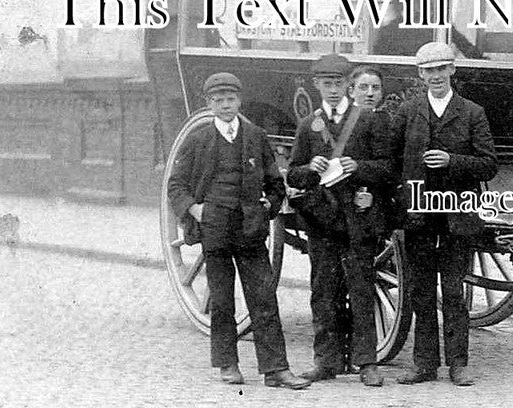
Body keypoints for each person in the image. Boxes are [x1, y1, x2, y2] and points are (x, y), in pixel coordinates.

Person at [167, 73, 310, 390]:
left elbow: (275, 184)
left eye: (230, 99)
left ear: (239, 101)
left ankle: (276, 370)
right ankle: (227, 364)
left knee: (264, 298)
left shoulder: (256, 136)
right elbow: (176, 185)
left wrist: (267, 209)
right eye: (219, 101)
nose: (226, 105)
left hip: (250, 229)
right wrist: (195, 209)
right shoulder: (197, 139)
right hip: (214, 228)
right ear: (210, 104)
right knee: (221, 300)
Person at [286, 53, 399, 387]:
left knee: (361, 289)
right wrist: (311, 169)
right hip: (322, 222)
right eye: (326, 84)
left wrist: (358, 168)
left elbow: (388, 169)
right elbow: (294, 173)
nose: (333, 90)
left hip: (358, 219)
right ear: (316, 85)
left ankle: (367, 362)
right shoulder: (309, 125)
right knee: (323, 291)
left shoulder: (367, 121)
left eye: (338, 83)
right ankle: (327, 361)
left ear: (348, 84)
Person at [394, 42, 497, 387]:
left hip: (457, 216)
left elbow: (488, 165)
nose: (435, 76)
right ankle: (424, 364)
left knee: (454, 291)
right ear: (420, 74)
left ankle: (458, 363)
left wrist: (454, 162)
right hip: (419, 215)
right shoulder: (408, 112)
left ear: (453, 70)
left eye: (442, 69)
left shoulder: (472, 113)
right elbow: (394, 163)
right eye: (429, 70)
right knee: (421, 292)